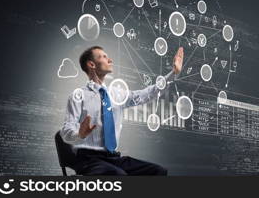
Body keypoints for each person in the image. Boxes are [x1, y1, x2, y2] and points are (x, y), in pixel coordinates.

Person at [60, 45, 184, 175]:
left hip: (113, 158)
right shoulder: (79, 96)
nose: (110, 60)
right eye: (103, 56)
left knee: (158, 171)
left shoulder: (116, 94)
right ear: (91, 64)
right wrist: (79, 134)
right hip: (88, 160)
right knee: (119, 175)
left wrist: (173, 73)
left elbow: (145, 94)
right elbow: (66, 131)